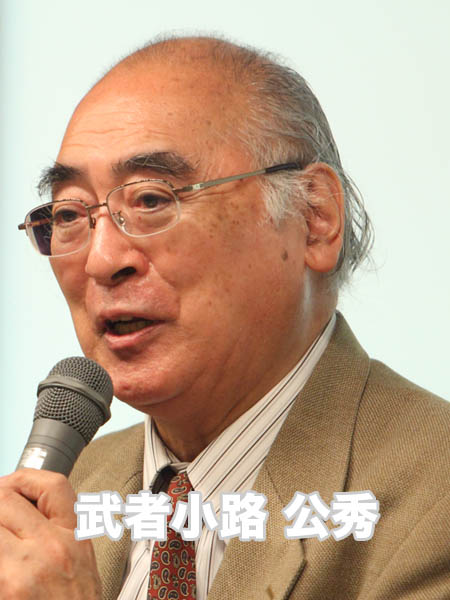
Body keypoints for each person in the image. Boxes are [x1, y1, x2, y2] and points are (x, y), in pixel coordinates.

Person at [1, 35, 449, 600]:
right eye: (69, 213)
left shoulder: (434, 497)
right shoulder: (77, 487)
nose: (101, 260)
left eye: (151, 199)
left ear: (315, 218)